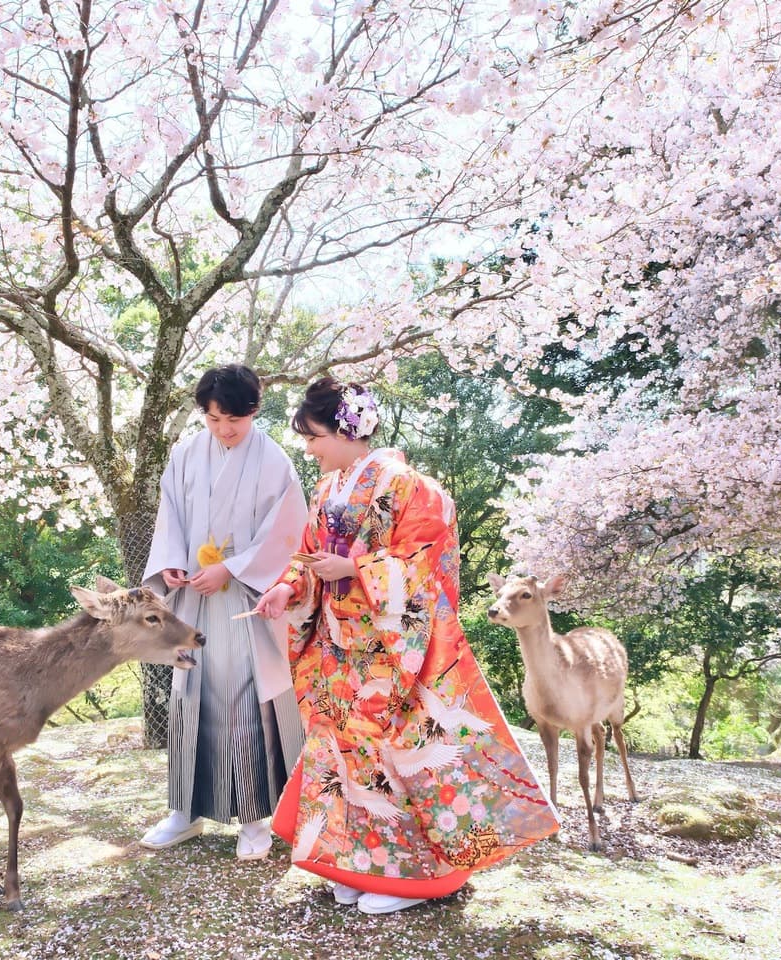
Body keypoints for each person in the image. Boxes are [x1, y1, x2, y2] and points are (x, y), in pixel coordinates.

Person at [252, 378, 560, 914]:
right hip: (336, 646)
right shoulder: (326, 490)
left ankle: (415, 879)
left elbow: (426, 561)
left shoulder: (411, 487)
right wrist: (286, 587)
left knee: (397, 757)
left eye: (314, 436)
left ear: (347, 429)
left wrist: (355, 567)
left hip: (393, 649)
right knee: (343, 757)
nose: (309, 447)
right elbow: (307, 554)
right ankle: (350, 864)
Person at [139, 364, 309, 859]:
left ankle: (257, 815)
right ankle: (185, 811)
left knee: (243, 699)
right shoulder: (187, 453)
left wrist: (233, 570)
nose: (224, 429)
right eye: (214, 419)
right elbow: (170, 512)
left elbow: (287, 532)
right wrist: (171, 563)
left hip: (246, 600)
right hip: (194, 595)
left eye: (234, 418)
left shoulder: (274, 460)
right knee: (188, 694)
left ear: (255, 410)